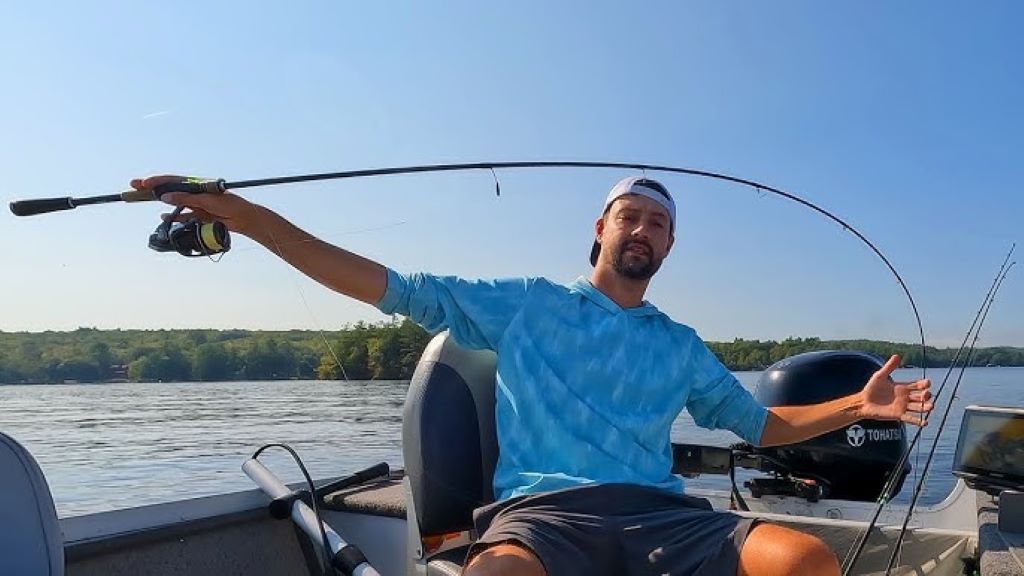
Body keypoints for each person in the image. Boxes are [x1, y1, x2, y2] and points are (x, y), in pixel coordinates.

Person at [137, 174, 934, 576]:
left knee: (807, 562)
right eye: (632, 215)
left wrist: (860, 406)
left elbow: (762, 427)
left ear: (668, 247)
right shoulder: (526, 305)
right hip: (545, 512)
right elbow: (385, 284)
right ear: (600, 229)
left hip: (664, 516)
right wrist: (254, 219)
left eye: (659, 223)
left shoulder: (682, 343)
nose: (644, 230)